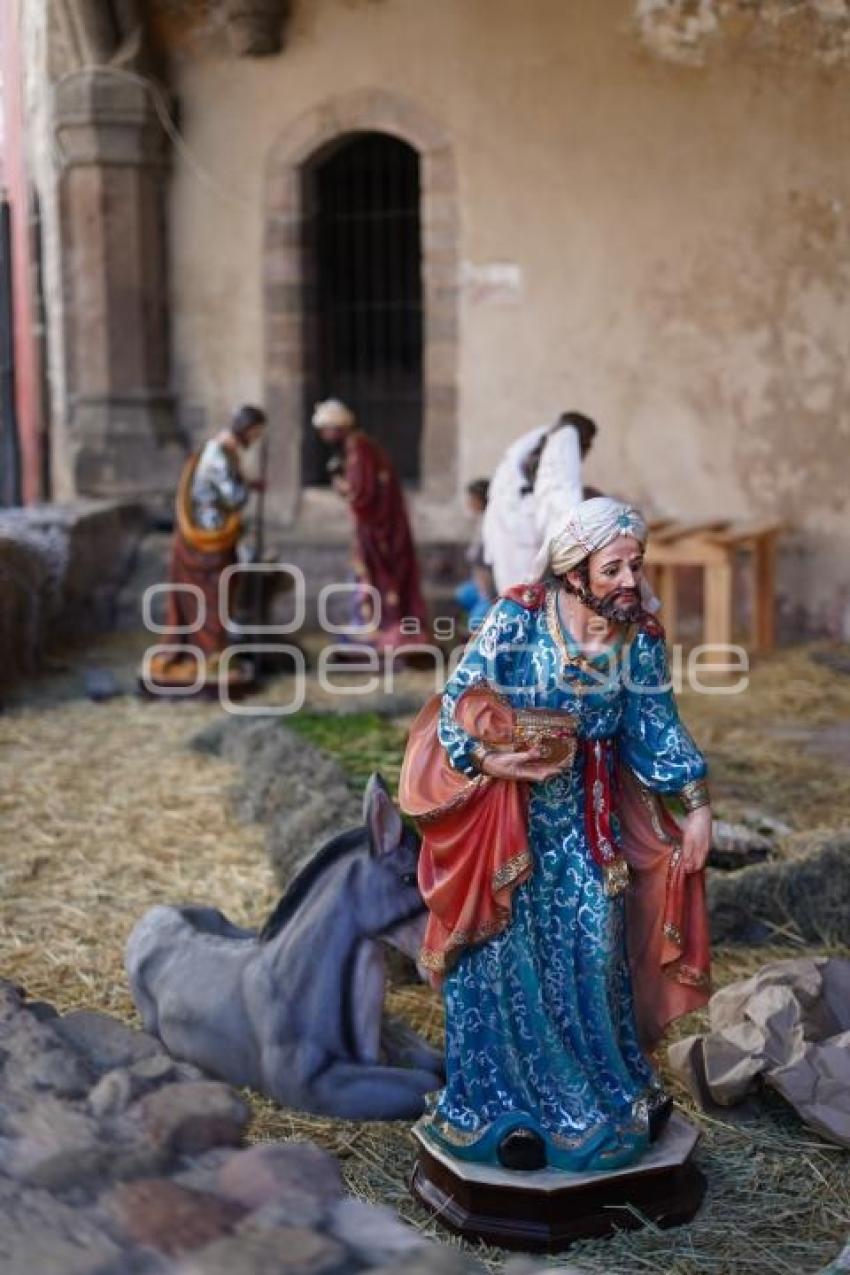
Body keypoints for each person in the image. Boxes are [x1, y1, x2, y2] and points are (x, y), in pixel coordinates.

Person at [400, 496, 712, 1174]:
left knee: (596, 941)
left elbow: (655, 727)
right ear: (574, 570)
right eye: (614, 569)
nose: (630, 581)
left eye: (636, 565)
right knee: (501, 953)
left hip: (588, 824)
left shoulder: (640, 640)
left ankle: (606, 1096)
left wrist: (695, 806)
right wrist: (487, 757)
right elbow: (461, 698)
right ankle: (500, 1110)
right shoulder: (517, 617)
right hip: (508, 821)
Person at [148, 404, 266, 687]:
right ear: (247, 430)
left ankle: (212, 652)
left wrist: (248, 482)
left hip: (215, 536)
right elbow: (233, 496)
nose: (256, 440)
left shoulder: (223, 452)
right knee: (212, 595)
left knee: (219, 593)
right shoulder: (218, 455)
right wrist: (248, 487)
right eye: (257, 434)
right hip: (206, 540)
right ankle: (208, 654)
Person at [313, 398, 428, 648]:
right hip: (374, 526)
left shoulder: (359, 449)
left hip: (378, 528)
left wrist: (341, 485)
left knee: (377, 577)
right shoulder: (360, 447)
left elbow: (362, 493)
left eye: (325, 429)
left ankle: (382, 626)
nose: (323, 436)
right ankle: (370, 623)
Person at [482, 411, 597, 593]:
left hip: (506, 528)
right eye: (588, 444)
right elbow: (565, 500)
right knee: (527, 593)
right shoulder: (565, 439)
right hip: (524, 534)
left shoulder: (535, 442)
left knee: (513, 593)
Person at [454, 478, 496, 633]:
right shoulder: (481, 523)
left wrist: (487, 592)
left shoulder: (491, 526)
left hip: (490, 588)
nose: (468, 503)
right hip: (479, 584)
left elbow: (485, 562)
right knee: (462, 594)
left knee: (476, 620)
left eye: (471, 499)